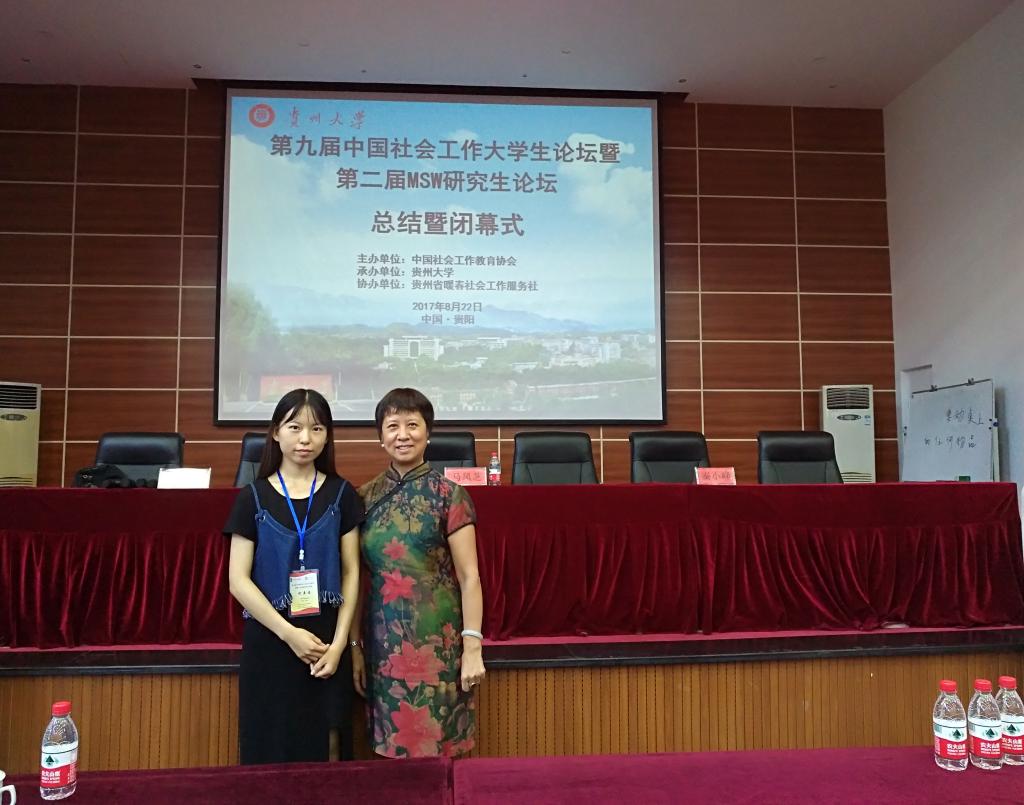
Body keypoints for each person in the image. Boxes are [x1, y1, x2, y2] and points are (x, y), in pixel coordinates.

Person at [223, 388, 363, 764]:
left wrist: (339, 645)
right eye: (295, 427)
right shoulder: (251, 497)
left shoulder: (342, 494)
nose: (305, 439)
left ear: (327, 436)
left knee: (329, 748)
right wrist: (289, 634)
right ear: (276, 432)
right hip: (271, 641)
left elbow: (351, 573)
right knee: (270, 748)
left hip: (326, 644)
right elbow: (238, 580)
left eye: (316, 429)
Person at [352, 387, 486, 757]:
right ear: (380, 437)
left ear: (428, 432)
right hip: (383, 644)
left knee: (438, 751)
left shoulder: (450, 495)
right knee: (391, 750)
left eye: (412, 425)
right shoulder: (363, 498)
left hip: (438, 644)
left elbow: (470, 577)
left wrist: (472, 647)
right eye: (392, 426)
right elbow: (355, 580)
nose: (403, 435)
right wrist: (355, 647)